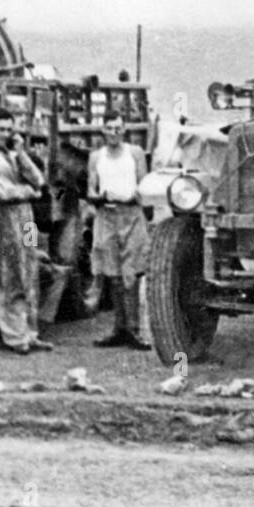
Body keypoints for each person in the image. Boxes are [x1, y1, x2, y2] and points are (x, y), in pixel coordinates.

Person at [0, 107, 55, 355]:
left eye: (9, 130)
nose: (5, 134)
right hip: (7, 218)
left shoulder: (12, 154)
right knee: (12, 274)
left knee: (30, 268)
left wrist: (20, 153)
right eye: (1, 130)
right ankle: (14, 336)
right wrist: (29, 192)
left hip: (26, 217)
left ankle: (31, 332)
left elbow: (39, 179)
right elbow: (2, 192)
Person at [88, 115, 151, 349]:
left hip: (131, 214)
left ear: (124, 130)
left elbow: (145, 184)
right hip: (106, 215)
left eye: (118, 128)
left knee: (131, 274)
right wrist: (101, 197)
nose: (113, 132)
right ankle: (119, 328)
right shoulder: (96, 157)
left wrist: (136, 197)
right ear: (103, 130)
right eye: (109, 128)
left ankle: (135, 330)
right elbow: (90, 189)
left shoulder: (135, 153)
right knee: (112, 274)